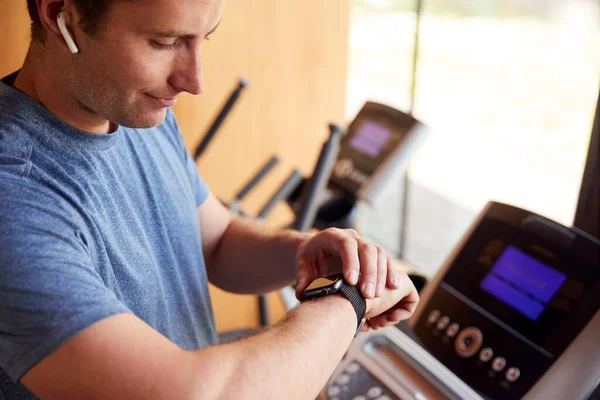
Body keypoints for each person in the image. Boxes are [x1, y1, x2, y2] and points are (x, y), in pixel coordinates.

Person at [0, 0, 419, 398]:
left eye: (205, 38)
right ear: (61, 15)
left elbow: (217, 243)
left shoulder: (133, 112)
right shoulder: (14, 195)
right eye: (164, 42)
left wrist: (310, 251)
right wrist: (348, 297)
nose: (193, 81)